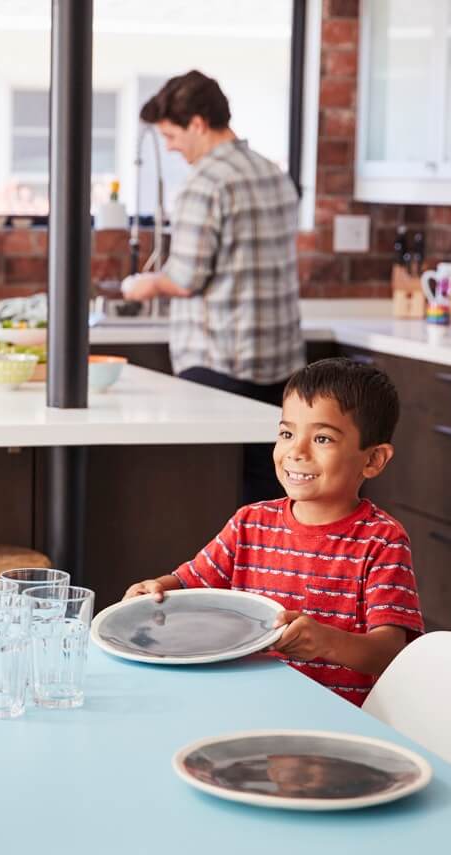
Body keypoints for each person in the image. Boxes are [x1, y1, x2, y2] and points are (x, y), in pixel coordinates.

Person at [124, 359, 423, 705]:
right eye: (286, 433)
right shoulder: (249, 523)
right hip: (244, 705)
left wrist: (326, 641)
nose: (296, 451)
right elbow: (189, 583)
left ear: (373, 460)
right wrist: (157, 588)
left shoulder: (382, 541)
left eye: (322, 438)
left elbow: (389, 652)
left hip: (331, 724)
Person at [122, 70, 304, 505]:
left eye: (170, 135)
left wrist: (141, 285)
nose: (169, 146)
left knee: (212, 498)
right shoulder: (273, 174)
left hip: (218, 366)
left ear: (198, 124)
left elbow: (185, 279)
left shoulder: (204, 183)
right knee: (271, 497)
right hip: (279, 366)